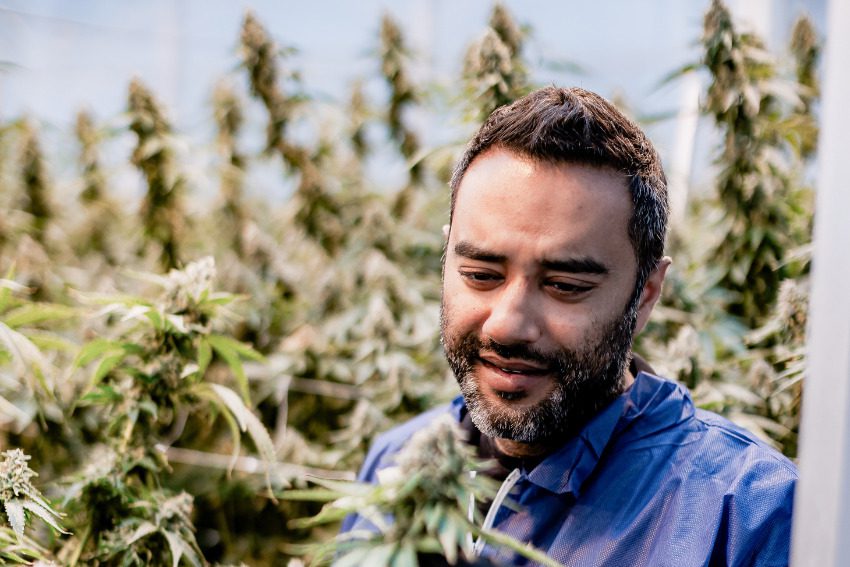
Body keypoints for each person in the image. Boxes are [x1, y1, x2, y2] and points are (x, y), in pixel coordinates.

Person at [341, 86, 796, 566]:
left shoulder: (748, 514)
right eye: (481, 276)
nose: (508, 325)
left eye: (565, 285)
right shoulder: (395, 462)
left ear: (646, 293)